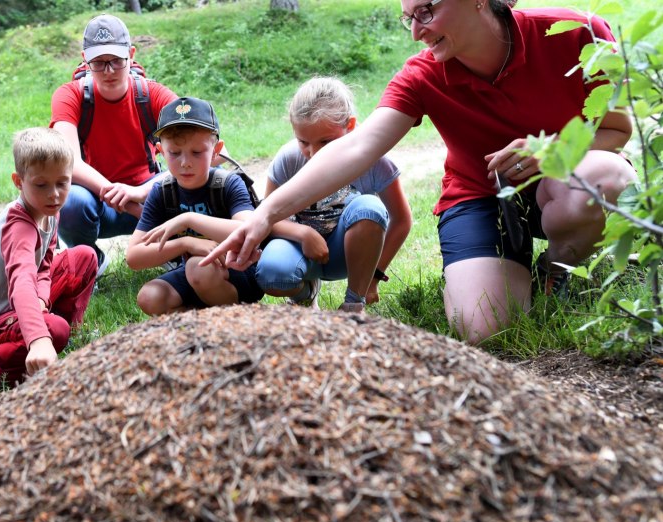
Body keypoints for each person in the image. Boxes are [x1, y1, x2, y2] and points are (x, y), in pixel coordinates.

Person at [204, 0, 635, 344]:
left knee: (605, 179)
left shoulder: (577, 32)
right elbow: (357, 146)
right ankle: (507, 266)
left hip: (564, 178)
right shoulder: (422, 74)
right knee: (484, 326)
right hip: (480, 194)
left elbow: (617, 128)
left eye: (426, 12)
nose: (416, 31)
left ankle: (557, 269)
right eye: (409, 18)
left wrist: (553, 151)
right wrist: (266, 214)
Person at [0, 128, 97, 393]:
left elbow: (44, 265)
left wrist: (42, 299)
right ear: (18, 181)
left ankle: (50, 343)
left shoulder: (48, 209)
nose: (54, 194)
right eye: (41, 184)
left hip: (19, 301)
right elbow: (21, 283)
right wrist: (39, 338)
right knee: (55, 329)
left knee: (84, 258)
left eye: (62, 183)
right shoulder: (19, 226)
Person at [255, 77, 412, 312]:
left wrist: (375, 276)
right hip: (300, 248)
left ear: (350, 126)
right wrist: (303, 234)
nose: (313, 152)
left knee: (369, 207)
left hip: (348, 255)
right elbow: (265, 217)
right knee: (271, 274)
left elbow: (401, 220)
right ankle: (305, 294)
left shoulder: (375, 162)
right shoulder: (288, 159)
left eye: (325, 142)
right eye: (303, 142)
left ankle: (353, 302)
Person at [50, 14, 179, 274]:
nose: (108, 71)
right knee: (69, 200)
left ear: (131, 55)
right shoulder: (69, 95)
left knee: (186, 185)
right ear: (85, 59)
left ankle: (169, 250)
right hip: (97, 201)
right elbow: (69, 162)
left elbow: (199, 152)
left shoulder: (152, 94)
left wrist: (140, 194)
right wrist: (119, 195)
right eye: (98, 63)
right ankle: (89, 263)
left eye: (116, 61)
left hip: (148, 199)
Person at [126, 97, 263, 315]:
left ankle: (237, 318)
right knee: (149, 296)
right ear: (160, 151)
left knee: (197, 268)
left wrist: (188, 219)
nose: (185, 162)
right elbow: (134, 256)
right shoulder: (162, 192)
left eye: (197, 152)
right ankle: (201, 323)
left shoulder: (228, 183)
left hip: (237, 272)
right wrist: (185, 244)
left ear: (216, 150)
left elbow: (247, 230)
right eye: (174, 153)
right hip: (194, 273)